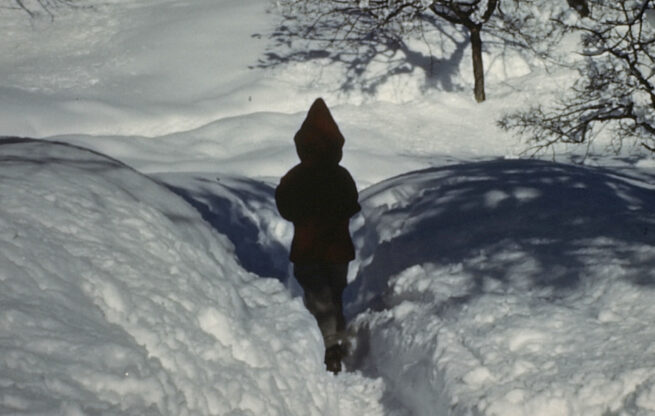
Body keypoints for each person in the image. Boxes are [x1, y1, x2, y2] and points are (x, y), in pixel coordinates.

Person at [275, 98, 360, 374]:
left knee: (318, 300)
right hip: (338, 252)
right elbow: (352, 204)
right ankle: (338, 343)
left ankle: (329, 350)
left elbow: (284, 208)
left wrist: (306, 215)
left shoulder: (295, 177)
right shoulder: (342, 176)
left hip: (307, 250)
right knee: (333, 297)